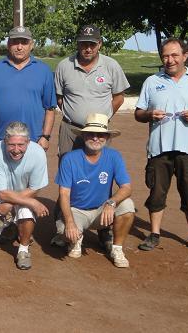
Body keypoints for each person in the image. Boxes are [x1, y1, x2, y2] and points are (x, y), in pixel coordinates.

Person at [135, 37, 188, 254]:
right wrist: (150, 114)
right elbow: (139, 113)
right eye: (166, 56)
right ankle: (154, 234)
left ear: (185, 56)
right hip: (159, 149)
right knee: (157, 192)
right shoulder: (151, 82)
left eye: (175, 55)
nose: (170, 60)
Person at [54, 113, 135, 268]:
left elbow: (126, 187)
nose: (96, 138)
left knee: (128, 206)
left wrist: (111, 203)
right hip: (76, 210)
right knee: (67, 235)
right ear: (84, 136)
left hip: (102, 210)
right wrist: (70, 222)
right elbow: (64, 194)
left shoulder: (114, 156)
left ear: (107, 137)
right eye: (91, 134)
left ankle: (117, 249)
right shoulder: (69, 159)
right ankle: (74, 239)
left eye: (101, 135)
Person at [0, 122, 49, 270]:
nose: (16, 150)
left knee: (27, 211)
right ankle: (9, 227)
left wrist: (11, 204)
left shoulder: (38, 153)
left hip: (24, 194)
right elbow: (1, 193)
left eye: (21, 145)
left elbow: (34, 188)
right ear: (5, 141)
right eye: (12, 144)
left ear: (28, 142)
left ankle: (23, 250)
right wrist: (28, 202)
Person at [54, 24, 130, 157]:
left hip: (99, 131)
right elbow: (59, 98)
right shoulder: (64, 66)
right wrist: (73, 114)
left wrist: (103, 116)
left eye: (92, 44)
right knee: (68, 169)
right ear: (78, 44)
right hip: (70, 129)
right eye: (84, 44)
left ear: (99, 44)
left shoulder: (111, 65)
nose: (88, 49)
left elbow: (119, 98)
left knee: (97, 170)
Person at [0, 26, 56, 151]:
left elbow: (50, 108)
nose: (19, 47)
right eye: (15, 42)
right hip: (1, 140)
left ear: (31, 45)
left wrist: (45, 136)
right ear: (9, 44)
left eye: (24, 43)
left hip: (34, 141)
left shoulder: (43, 70)